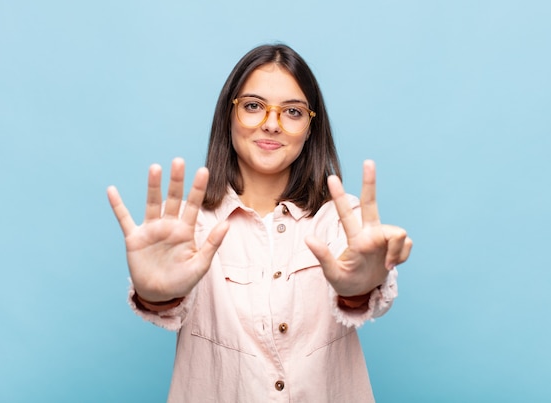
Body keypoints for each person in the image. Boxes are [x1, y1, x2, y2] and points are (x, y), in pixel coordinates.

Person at [107, 44, 412, 402]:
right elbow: (167, 296)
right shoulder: (189, 229)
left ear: (311, 127)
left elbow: (362, 274)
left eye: (293, 112)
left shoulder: (341, 219)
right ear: (229, 116)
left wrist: (360, 287)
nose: (270, 123)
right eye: (253, 106)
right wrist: (156, 296)